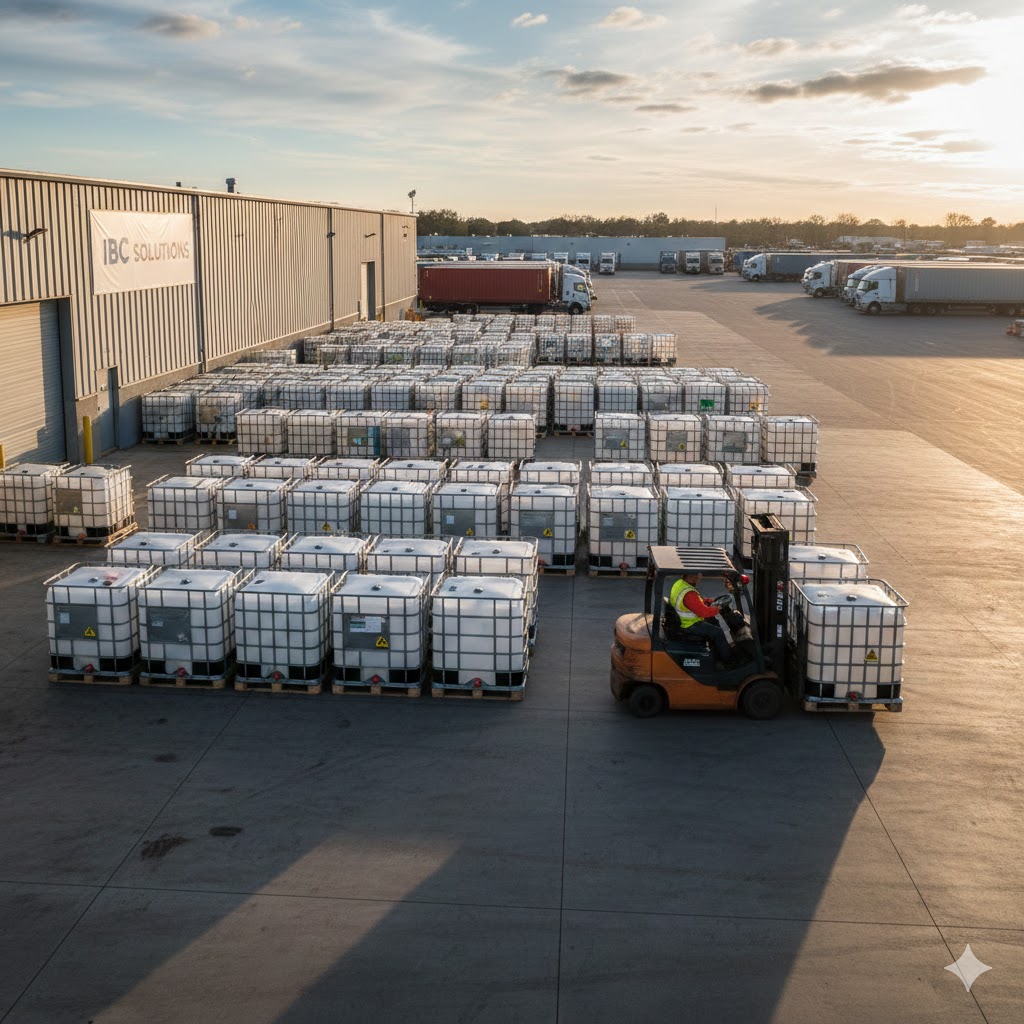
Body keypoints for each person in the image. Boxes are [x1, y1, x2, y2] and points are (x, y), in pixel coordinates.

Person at [668, 572, 732, 663]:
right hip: (689, 625)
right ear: (690, 576)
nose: (699, 578)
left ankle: (715, 652)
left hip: (683, 621)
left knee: (713, 622)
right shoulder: (689, 593)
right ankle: (728, 661)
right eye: (697, 576)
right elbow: (703, 612)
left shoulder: (680, 584)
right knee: (718, 632)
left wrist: (706, 601)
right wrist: (718, 608)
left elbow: (692, 604)